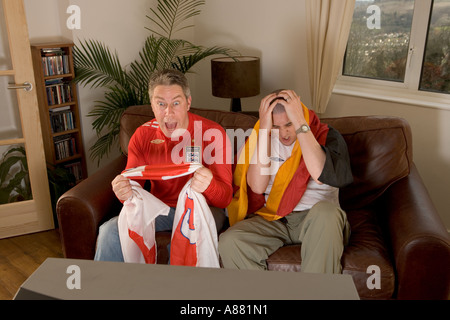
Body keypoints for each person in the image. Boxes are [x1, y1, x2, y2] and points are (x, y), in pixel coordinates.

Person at [95, 69, 233, 262]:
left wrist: (209, 185)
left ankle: (172, 291)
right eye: (161, 104)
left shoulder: (213, 134)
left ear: (188, 103)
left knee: (182, 238)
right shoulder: (142, 135)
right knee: (109, 230)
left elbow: (225, 199)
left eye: (176, 103)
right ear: (152, 105)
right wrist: (124, 190)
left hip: (205, 208)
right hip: (162, 208)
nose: (168, 112)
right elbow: (133, 189)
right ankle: (108, 291)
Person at [219, 89, 353, 274]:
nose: (284, 133)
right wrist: (265, 130)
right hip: (274, 218)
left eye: (289, 124)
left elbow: (319, 174)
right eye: (277, 126)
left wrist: (300, 123)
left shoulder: (326, 135)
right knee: (230, 242)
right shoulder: (262, 137)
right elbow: (257, 186)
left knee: (327, 214)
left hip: (315, 218)